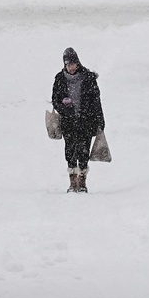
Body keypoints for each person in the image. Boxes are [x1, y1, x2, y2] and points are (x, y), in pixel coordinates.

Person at [51, 47, 105, 193]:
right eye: (68, 65)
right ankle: (72, 181)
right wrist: (64, 107)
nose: (71, 67)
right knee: (70, 150)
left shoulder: (88, 77)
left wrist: (100, 120)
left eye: (73, 64)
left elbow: (96, 101)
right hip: (68, 121)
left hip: (86, 121)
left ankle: (82, 182)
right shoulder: (60, 79)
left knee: (84, 151)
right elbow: (55, 100)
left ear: (78, 63)